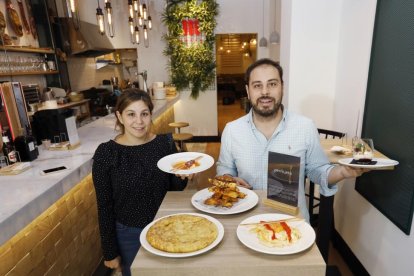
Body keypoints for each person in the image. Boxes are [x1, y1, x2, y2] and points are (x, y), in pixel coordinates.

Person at [216, 58, 368, 222]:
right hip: (245, 220)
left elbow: (318, 171)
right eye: (257, 85)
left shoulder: (305, 127)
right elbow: (225, 169)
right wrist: (229, 179)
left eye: (272, 84)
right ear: (248, 90)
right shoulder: (232, 130)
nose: (265, 92)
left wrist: (343, 172)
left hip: (291, 223)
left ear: (282, 87)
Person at [92, 89, 191, 276]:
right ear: (119, 116)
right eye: (131, 114)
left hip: (167, 226)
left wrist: (182, 177)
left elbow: (175, 189)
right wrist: (110, 252)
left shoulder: (164, 144)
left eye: (144, 114)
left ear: (150, 115)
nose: (139, 121)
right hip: (129, 234)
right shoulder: (107, 154)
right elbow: (104, 206)